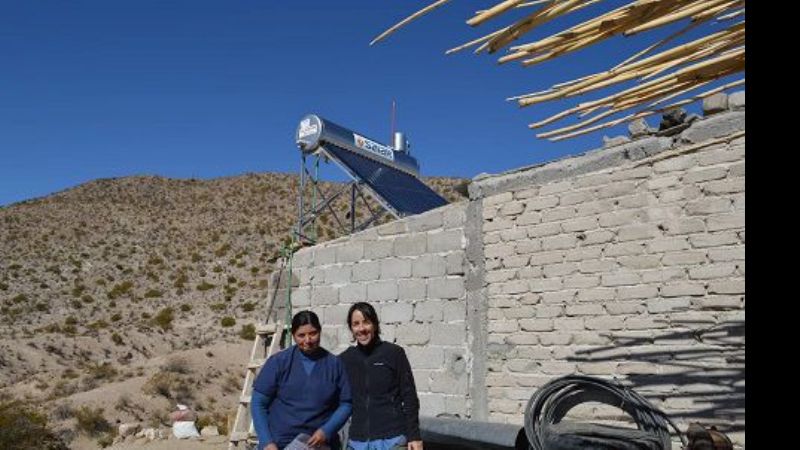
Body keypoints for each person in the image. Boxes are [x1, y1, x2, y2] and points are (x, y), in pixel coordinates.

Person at [251, 310, 353, 450]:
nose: (308, 340)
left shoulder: (334, 364)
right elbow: (258, 403)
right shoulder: (279, 362)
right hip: (280, 443)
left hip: (319, 444)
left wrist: (327, 430)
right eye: (301, 335)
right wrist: (266, 442)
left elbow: (346, 404)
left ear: (320, 331)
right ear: (293, 336)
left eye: (313, 333)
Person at [340, 302, 423, 450]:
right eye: (356, 324)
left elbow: (409, 396)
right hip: (357, 442)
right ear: (351, 329)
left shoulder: (394, 353)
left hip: (393, 439)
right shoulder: (345, 359)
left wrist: (414, 436)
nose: (362, 329)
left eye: (366, 322)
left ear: (375, 324)